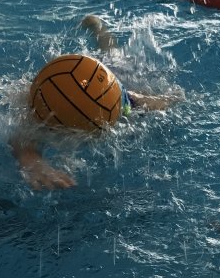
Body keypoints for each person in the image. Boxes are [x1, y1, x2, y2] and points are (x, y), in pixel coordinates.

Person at [10, 16, 180, 190]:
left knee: (112, 56)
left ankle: (99, 28)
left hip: (109, 78)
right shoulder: (46, 99)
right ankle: (97, 27)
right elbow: (21, 133)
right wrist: (32, 162)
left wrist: (174, 97)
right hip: (86, 73)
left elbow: (171, 99)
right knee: (110, 56)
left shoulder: (126, 103)